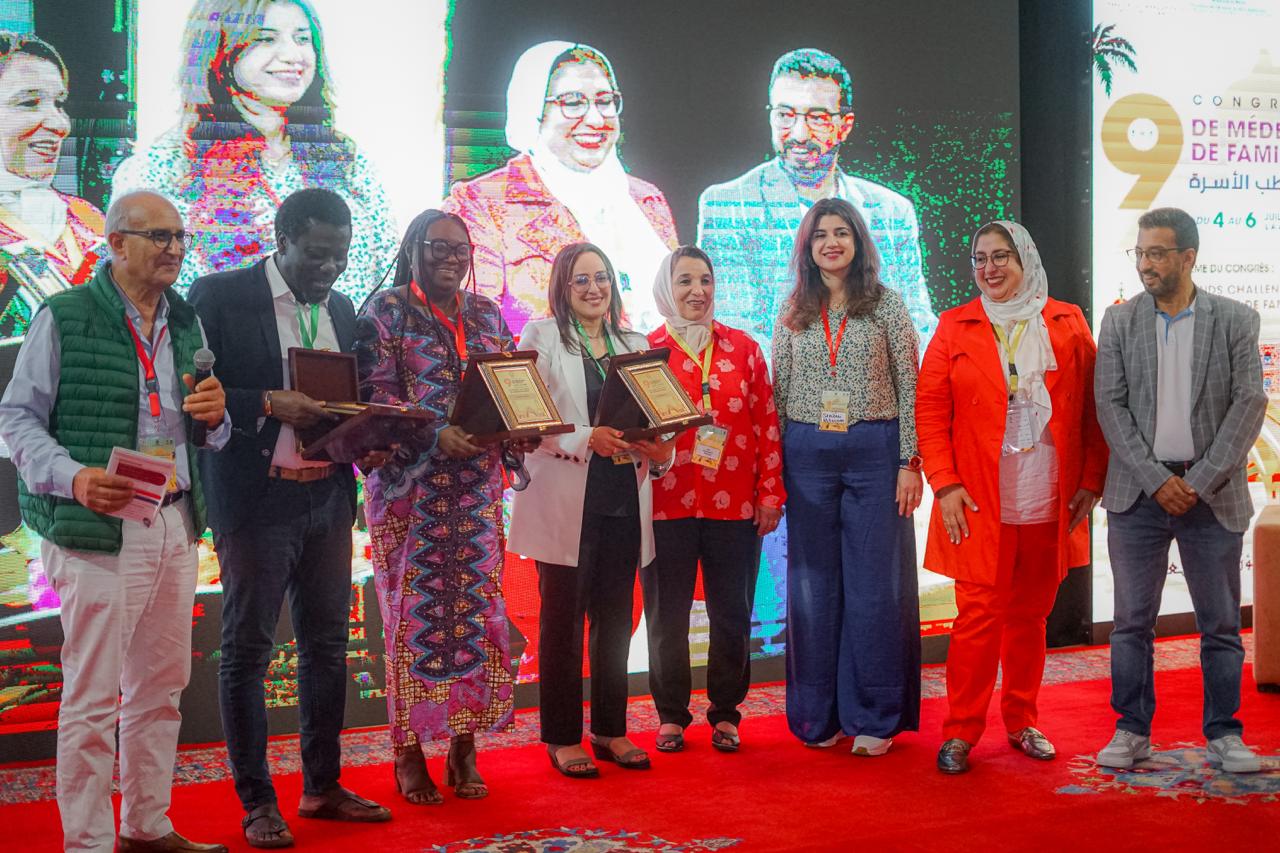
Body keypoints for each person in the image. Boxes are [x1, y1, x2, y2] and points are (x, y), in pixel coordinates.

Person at [0, 189, 229, 852]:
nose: (174, 250)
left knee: (162, 686)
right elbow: (16, 418)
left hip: (172, 519)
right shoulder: (66, 315)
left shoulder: (185, 320)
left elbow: (204, 430)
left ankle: (147, 824)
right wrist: (73, 477)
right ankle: (90, 842)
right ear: (116, 244)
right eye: (158, 235)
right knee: (95, 695)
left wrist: (216, 419)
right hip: (95, 523)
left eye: (180, 237)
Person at [189, 188, 393, 848]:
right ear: (281, 238)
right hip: (257, 500)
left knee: (328, 647)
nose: (330, 268)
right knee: (248, 650)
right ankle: (256, 801)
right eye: (316, 253)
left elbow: (342, 400)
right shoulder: (221, 296)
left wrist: (370, 430)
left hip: (327, 498)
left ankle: (322, 785)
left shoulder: (338, 307)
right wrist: (270, 401)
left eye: (340, 255)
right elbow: (192, 394)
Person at [916, 221, 1108, 775]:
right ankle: (960, 732)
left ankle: (1022, 720)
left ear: (1025, 259)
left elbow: (1095, 409)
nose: (991, 268)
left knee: (1030, 615)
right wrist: (945, 483)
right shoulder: (955, 326)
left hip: (1050, 493)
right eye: (980, 258)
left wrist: (1091, 479)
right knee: (977, 615)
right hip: (978, 496)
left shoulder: (1067, 321)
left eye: (1002, 257)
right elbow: (931, 412)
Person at [355, 210, 524, 804]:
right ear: (413, 248)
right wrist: (433, 438)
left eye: (462, 248)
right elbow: (374, 399)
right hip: (411, 494)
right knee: (410, 619)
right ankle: (406, 753)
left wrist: (520, 428)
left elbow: (509, 386)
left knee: (475, 615)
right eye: (439, 247)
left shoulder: (484, 314)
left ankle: (463, 746)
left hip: (476, 489)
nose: (452, 258)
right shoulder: (385, 313)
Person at [1093, 207, 1267, 774]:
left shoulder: (1236, 319)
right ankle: (1131, 729)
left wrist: (1194, 481)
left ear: (1188, 257)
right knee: (1130, 624)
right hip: (1137, 494)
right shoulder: (1118, 322)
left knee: (1219, 624)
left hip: (1210, 493)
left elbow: (1249, 405)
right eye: (1140, 253)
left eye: (1157, 253)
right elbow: (1109, 408)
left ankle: (1224, 734)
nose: (1145, 264)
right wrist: (1157, 479)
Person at [508, 241, 673, 778]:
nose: (593, 288)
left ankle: (610, 730)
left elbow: (658, 415)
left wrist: (663, 446)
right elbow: (526, 420)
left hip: (624, 497)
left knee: (615, 621)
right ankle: (560, 736)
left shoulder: (635, 340)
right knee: (562, 623)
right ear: (562, 286)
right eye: (580, 279)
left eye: (601, 277)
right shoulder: (540, 337)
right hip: (566, 502)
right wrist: (587, 437)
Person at [111, 0, 396, 302]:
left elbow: (390, 270)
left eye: (302, 39)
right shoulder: (168, 166)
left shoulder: (347, 161)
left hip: (335, 344)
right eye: (266, 38)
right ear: (220, 49)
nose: (292, 55)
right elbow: (134, 285)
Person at [771, 197, 921, 755]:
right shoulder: (792, 310)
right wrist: (775, 474)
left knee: (874, 587)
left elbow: (911, 387)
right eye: (819, 236)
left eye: (841, 233)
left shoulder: (885, 305)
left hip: (874, 452)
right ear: (806, 249)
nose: (830, 243)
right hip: (806, 454)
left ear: (858, 241)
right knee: (812, 587)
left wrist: (911, 463)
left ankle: (876, 715)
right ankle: (817, 716)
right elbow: (779, 396)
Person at [641, 245, 785, 753]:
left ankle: (726, 712)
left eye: (704, 280)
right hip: (664, 504)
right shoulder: (646, 351)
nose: (696, 291)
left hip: (735, 507)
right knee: (667, 617)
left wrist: (770, 493)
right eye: (684, 281)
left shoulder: (744, 349)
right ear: (667, 288)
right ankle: (671, 715)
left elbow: (767, 424)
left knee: (731, 613)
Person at [698, 47, 936, 350]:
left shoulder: (892, 211)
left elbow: (918, 325)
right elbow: (736, 333)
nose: (798, 133)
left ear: (845, 125)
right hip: (780, 390)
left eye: (817, 118)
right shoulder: (727, 206)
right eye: (784, 115)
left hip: (875, 388)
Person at [442, 40, 678, 335]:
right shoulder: (483, 203)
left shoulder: (646, 200)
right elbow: (475, 328)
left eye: (605, 101)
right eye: (573, 102)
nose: (595, 119)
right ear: (533, 110)